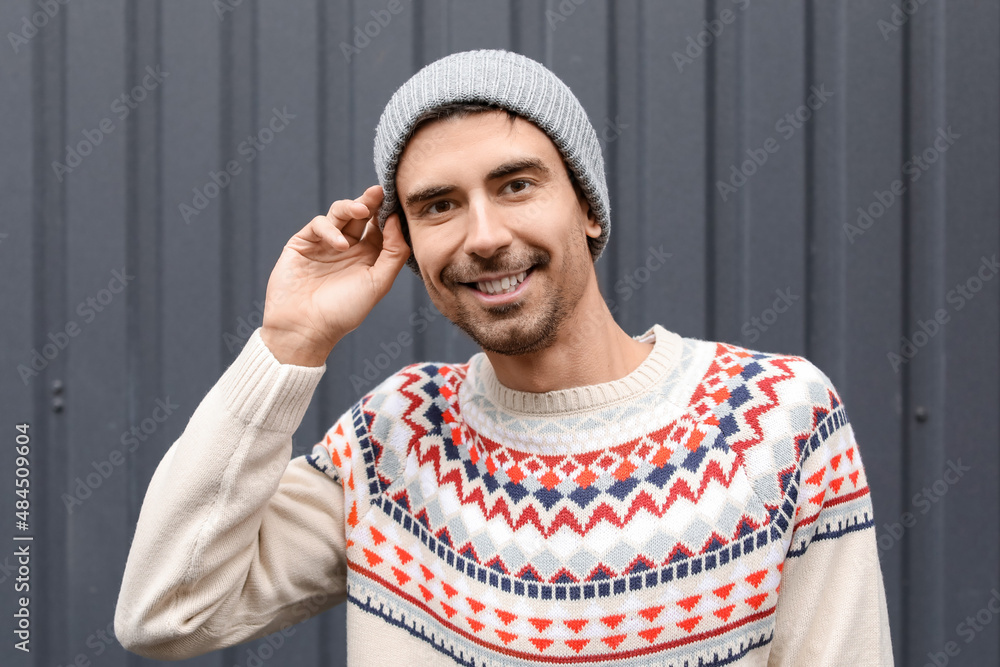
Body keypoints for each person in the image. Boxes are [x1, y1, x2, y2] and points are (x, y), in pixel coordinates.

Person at [115, 49, 893, 666]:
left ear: (587, 205)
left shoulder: (775, 418)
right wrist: (289, 344)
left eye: (515, 184)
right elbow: (165, 610)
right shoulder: (394, 439)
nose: (482, 235)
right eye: (439, 205)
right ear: (409, 245)